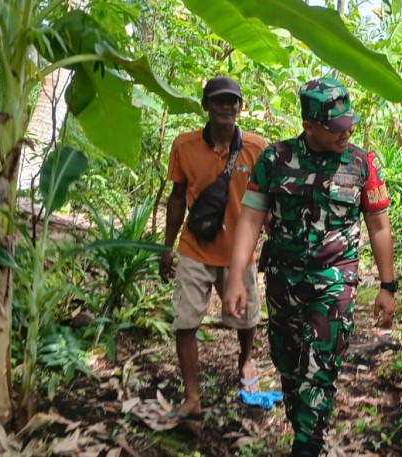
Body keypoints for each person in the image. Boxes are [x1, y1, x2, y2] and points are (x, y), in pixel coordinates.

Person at [221, 76, 397, 457]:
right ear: (310, 126)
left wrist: (388, 285)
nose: (346, 133)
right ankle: (303, 427)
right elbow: (250, 220)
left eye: (349, 124)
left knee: (318, 371)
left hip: (335, 282)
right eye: (336, 128)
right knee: (288, 365)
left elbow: (379, 225)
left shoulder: (362, 162)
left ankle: (307, 445)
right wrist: (237, 277)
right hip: (283, 282)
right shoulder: (275, 160)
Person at [159, 75, 267, 423]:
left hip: (240, 252)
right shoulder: (185, 146)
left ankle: (245, 360)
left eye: (232, 101)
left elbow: (268, 201)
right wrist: (167, 246)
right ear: (205, 105)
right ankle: (192, 397)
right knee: (186, 321)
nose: (226, 106)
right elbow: (177, 198)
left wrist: (272, 241)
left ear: (240, 107)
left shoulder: (256, 148)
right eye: (218, 100)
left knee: (247, 319)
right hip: (195, 248)